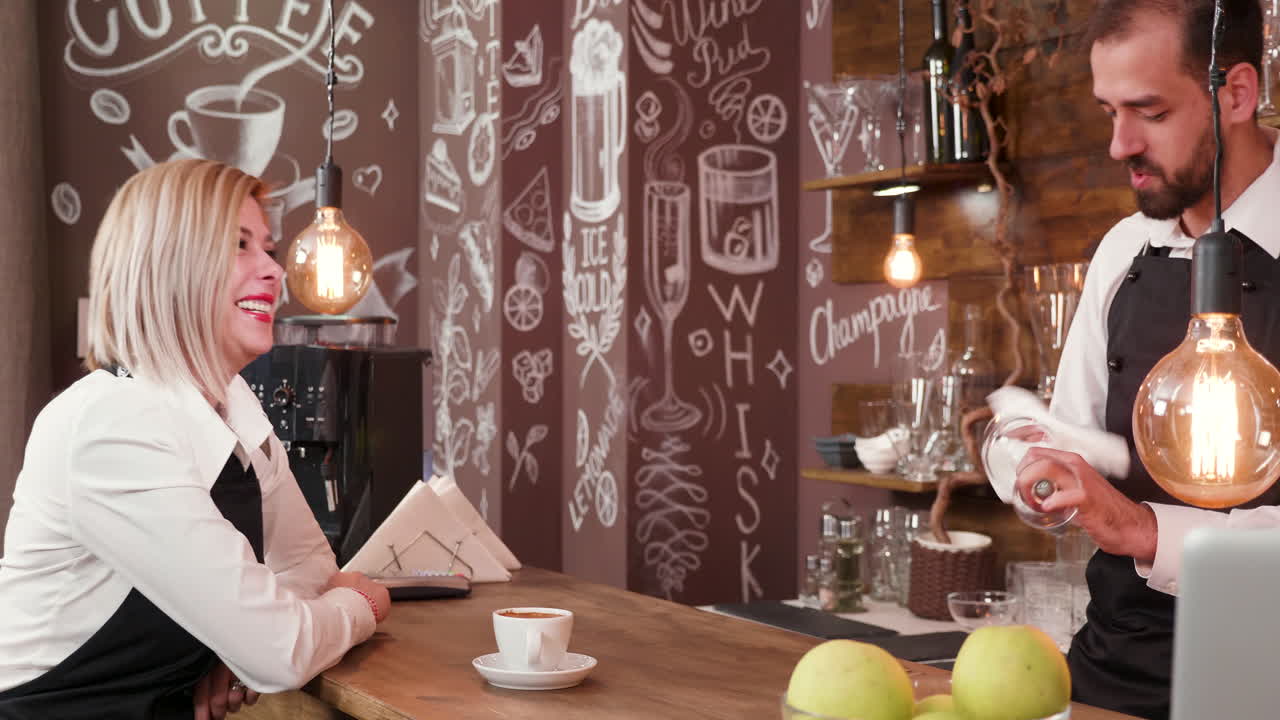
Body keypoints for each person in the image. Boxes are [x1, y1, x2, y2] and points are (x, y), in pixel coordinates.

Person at [0, 159, 392, 719]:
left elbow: (308, 569)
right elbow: (288, 645)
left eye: (269, 249)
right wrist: (362, 603)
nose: (273, 272)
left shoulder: (234, 407)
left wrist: (237, 644)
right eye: (238, 245)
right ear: (166, 264)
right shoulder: (109, 425)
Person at [1012, 1, 1278, 718]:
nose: (1119, 144)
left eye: (1149, 113)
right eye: (1108, 112)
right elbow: (1075, 450)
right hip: (1112, 681)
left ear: (1237, 94)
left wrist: (1143, 529)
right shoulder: (1123, 250)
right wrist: (1035, 463)